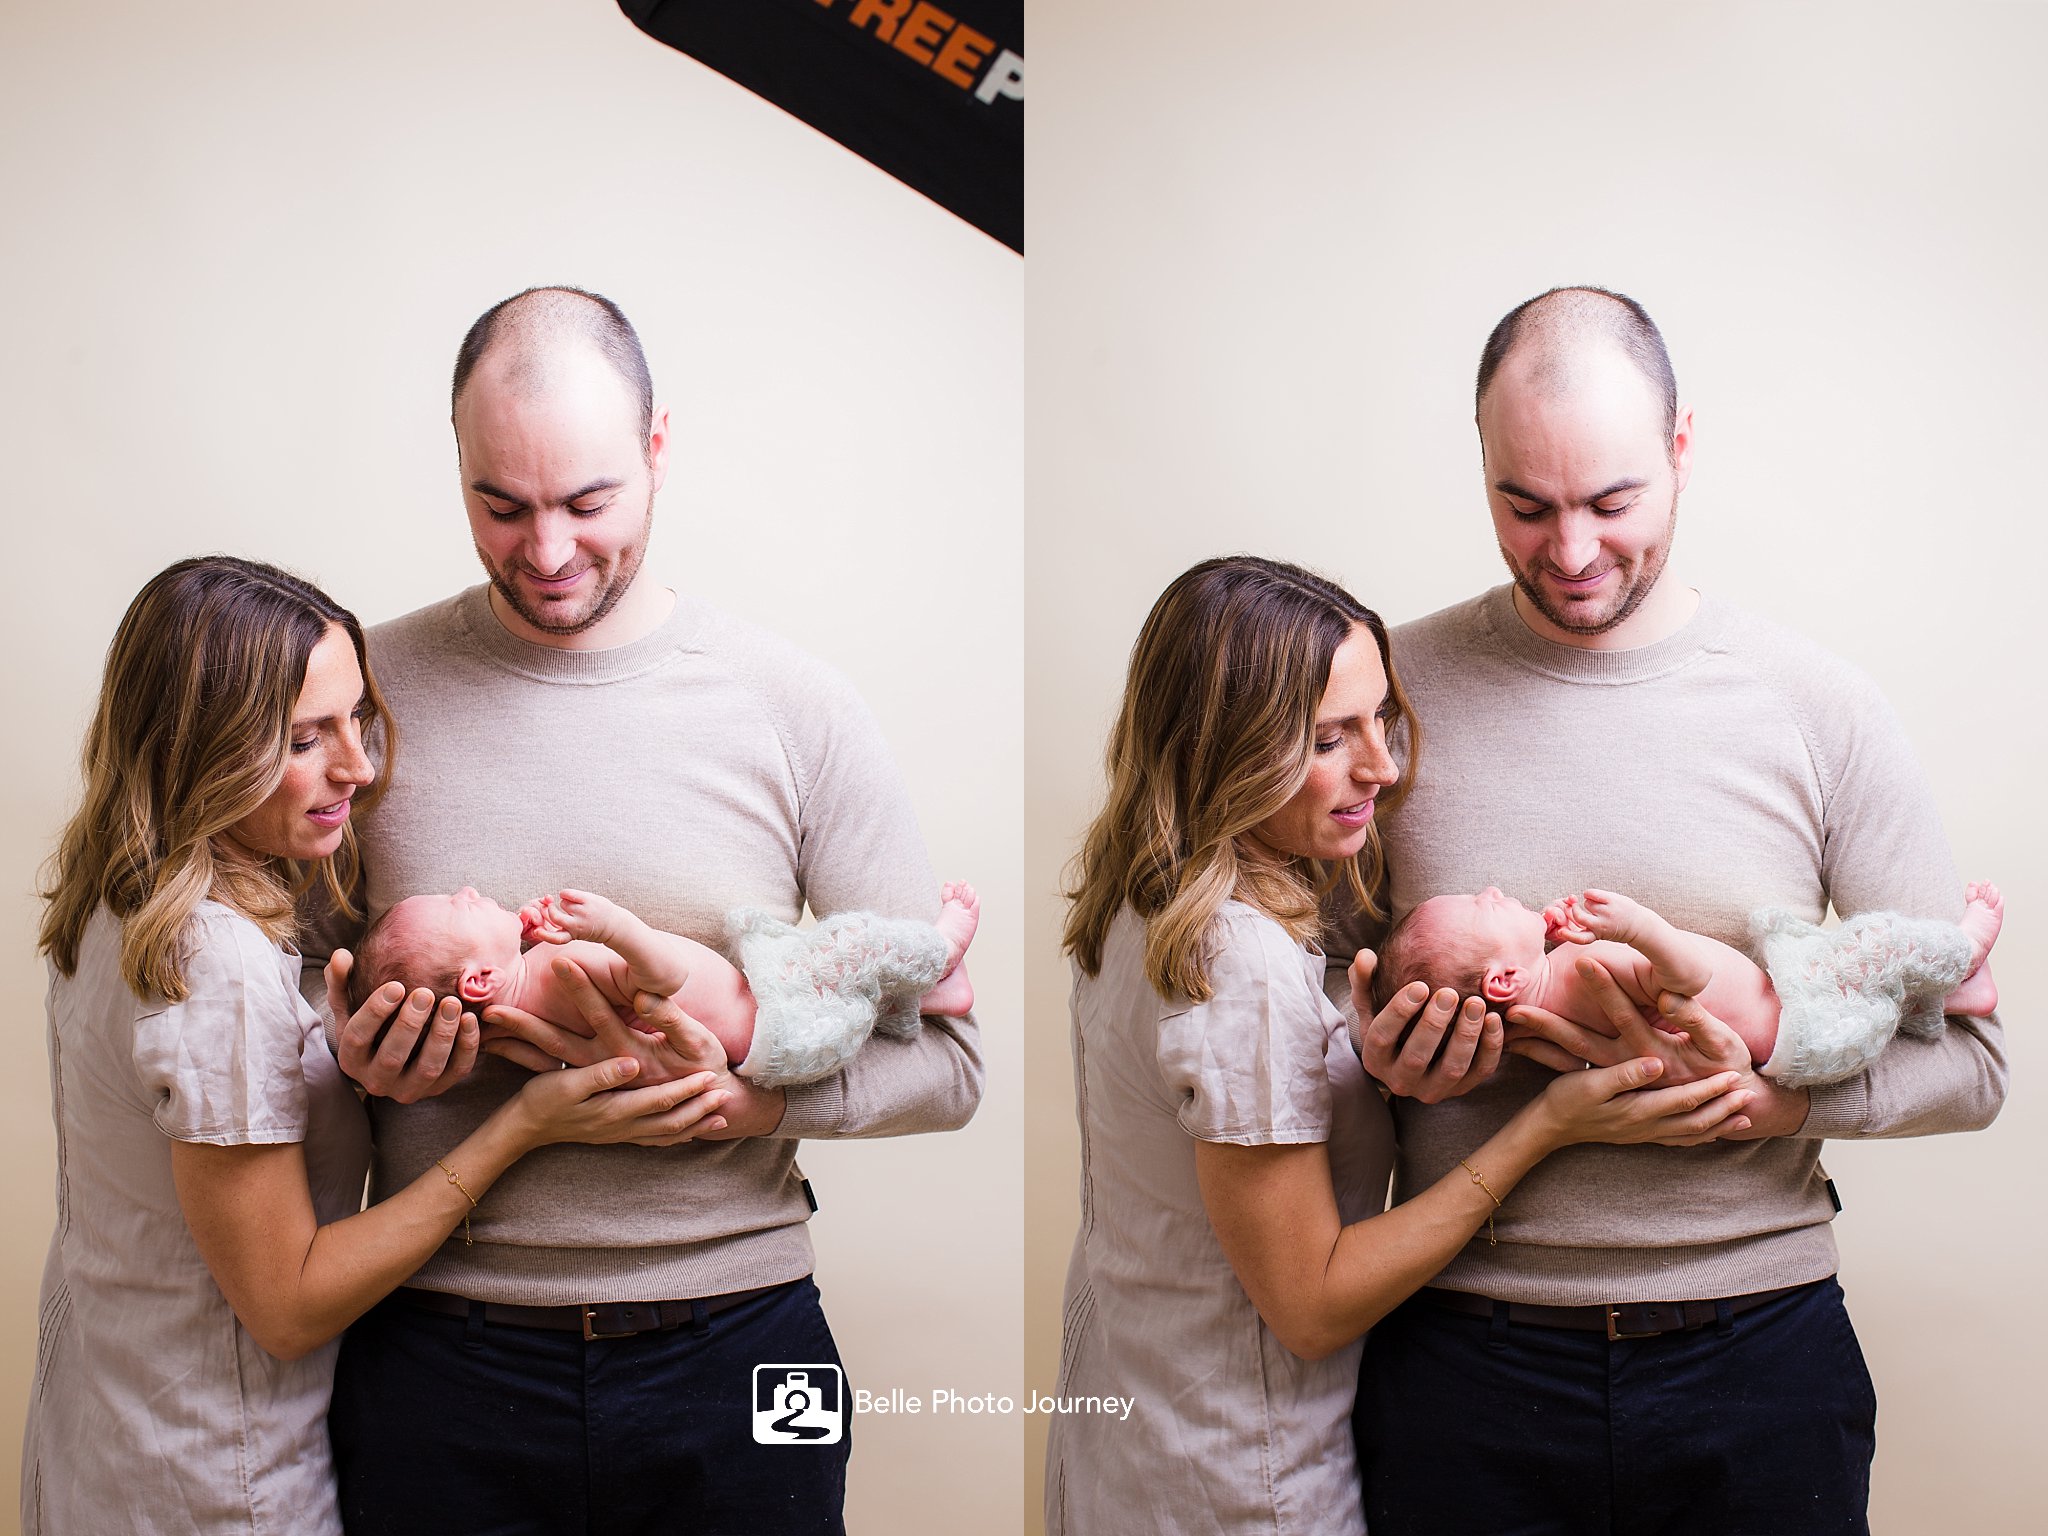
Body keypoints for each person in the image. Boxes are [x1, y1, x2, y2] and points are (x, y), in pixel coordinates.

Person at [307, 286, 982, 1535]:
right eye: (499, 505)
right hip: (439, 1348)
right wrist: (343, 1065)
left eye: (588, 501)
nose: (548, 551)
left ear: (659, 449)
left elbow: (949, 1066)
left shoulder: (792, 706)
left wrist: (757, 1099)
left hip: (748, 1340)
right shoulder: (361, 697)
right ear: (456, 467)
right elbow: (279, 1012)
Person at [1338, 287, 2009, 1535]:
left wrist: (1779, 1101)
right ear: (1477, 464)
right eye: (1522, 506)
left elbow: (1972, 1068)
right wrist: (1366, 1062)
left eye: (1611, 502)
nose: (1571, 552)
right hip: (1460, 1360)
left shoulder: (1816, 707)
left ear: (1681, 449)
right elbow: (1303, 996)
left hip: (1756, 1361)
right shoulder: (1384, 690)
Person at [1045, 555, 1755, 1536]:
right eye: (1329, 739)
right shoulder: (1239, 958)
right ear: (1220, 748)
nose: (1380, 767)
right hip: (1243, 1478)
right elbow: (1314, 1304)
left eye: (1381, 718)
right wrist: (1542, 1128)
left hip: (1131, 1425)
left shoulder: (1138, 902)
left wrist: (1369, 1067)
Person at [23, 557, 723, 1536]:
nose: (357, 767)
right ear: (198, 747)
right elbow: (290, 1306)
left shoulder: (117, 904)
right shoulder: (215, 959)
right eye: (305, 739)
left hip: (102, 1429)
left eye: (359, 718)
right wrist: (521, 1126)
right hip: (220, 1483)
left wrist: (347, 1065)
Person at [347, 881, 980, 1085]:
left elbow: (566, 1065)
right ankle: (940, 951)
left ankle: (927, 997)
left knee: (843, 973)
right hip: (778, 1013)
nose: (469, 890)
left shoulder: (524, 1018)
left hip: (766, 1034)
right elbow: (666, 978)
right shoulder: (572, 972)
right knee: (849, 946)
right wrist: (615, 927)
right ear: (480, 980)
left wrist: (531, 937)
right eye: (461, 907)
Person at [1371, 881, 2002, 1085]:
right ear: (1504, 980)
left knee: (1869, 974)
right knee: (1873, 946)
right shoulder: (1595, 972)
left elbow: (1594, 1068)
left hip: (1789, 1032)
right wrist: (1638, 927)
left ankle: (1951, 996)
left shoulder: (1548, 1019)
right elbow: (1690, 978)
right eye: (1486, 906)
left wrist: (1552, 935)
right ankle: (1964, 950)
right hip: (1801, 1012)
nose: (1494, 890)